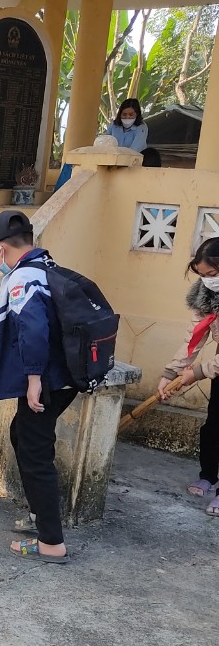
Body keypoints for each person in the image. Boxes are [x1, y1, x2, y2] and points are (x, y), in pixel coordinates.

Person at [0, 209, 77, 563]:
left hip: (47, 381)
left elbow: (33, 328)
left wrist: (34, 379)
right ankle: (40, 515)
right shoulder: (47, 267)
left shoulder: (22, 277)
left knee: (35, 453)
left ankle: (51, 542)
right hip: (65, 377)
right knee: (22, 435)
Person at [156, 235, 219, 515]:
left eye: (213, 274)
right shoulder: (205, 295)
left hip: (214, 366)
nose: (208, 281)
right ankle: (208, 475)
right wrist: (170, 373)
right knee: (213, 425)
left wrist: (199, 372)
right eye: (203, 275)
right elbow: (194, 337)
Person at [105, 98, 160, 166]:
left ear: (136, 114)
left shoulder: (141, 127)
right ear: (120, 114)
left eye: (131, 115)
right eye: (124, 114)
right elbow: (106, 142)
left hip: (134, 160)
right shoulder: (113, 125)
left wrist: (123, 160)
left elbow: (136, 149)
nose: (127, 117)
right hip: (113, 160)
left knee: (152, 153)